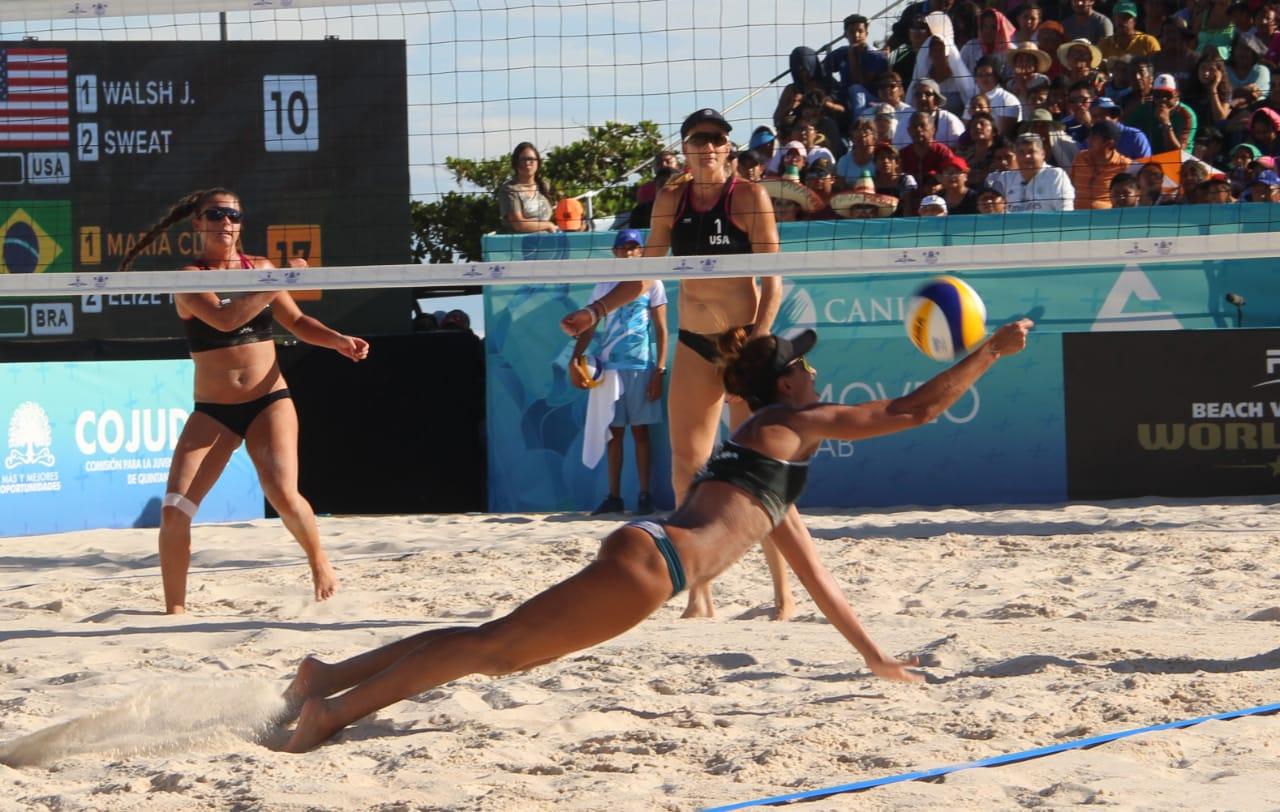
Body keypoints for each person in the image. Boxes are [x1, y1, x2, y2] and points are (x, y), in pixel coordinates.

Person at [280, 320, 1036, 752]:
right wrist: (993, 352)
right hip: (652, 567)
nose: (814, 375)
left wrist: (873, 657)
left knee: (493, 640)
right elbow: (914, 410)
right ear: (787, 385)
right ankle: (331, 713)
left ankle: (326, 677)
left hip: (651, 550)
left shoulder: (771, 458)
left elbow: (812, 573)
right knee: (491, 652)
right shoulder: (788, 425)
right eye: (803, 366)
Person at [560, 108, 794, 620]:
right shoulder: (671, 200)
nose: (708, 146)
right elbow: (646, 277)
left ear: (728, 148)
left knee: (763, 471)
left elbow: (773, 279)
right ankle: (700, 594)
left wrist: (758, 346)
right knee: (688, 468)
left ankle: (784, 594)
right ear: (685, 148)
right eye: (698, 139)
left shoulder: (750, 196)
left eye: (716, 138)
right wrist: (594, 311)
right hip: (693, 343)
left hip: (742, 344)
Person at [116, 188, 369, 614]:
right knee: (174, 510)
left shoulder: (261, 269)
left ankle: (319, 561)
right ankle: (174, 611)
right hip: (214, 411)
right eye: (215, 214)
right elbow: (225, 318)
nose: (225, 222)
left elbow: (298, 321)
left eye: (233, 215)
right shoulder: (190, 277)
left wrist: (338, 341)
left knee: (283, 494)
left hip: (268, 399)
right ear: (197, 223)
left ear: (240, 222)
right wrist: (278, 281)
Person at [573, 230, 669, 517]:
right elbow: (589, 326)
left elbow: (662, 329)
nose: (628, 253)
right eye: (623, 248)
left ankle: (644, 495)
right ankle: (613, 496)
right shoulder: (604, 285)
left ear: (641, 251)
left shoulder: (653, 282)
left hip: (641, 367)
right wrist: (575, 359)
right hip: (610, 369)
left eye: (633, 248)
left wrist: (659, 370)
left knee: (641, 433)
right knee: (613, 435)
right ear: (615, 252)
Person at [990, 132, 1077, 210]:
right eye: (1021, 152)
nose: (1026, 156)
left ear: (1043, 154)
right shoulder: (1005, 178)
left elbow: (1065, 213)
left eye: (1031, 152)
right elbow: (994, 214)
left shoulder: (1056, 175)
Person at [1124, 72, 1197, 151]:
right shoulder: (1145, 108)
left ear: (1177, 94)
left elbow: (1178, 154)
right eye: (1158, 95)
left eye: (1168, 94)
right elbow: (1125, 131)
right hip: (1148, 159)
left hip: (1178, 162)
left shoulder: (1186, 115)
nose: (1163, 99)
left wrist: (1166, 123)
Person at [1071, 120, 1133, 208]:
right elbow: (1071, 184)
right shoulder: (1080, 158)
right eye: (1090, 136)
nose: (1088, 140)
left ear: (1109, 143)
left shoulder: (1125, 165)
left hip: (1106, 218)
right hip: (1076, 217)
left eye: (1094, 138)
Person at [498, 143, 558, 234]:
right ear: (515, 163)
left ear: (538, 162)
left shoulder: (545, 185)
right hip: (519, 244)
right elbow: (518, 225)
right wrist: (548, 225)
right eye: (523, 159)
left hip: (548, 241)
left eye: (531, 159)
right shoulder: (509, 189)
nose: (527, 163)